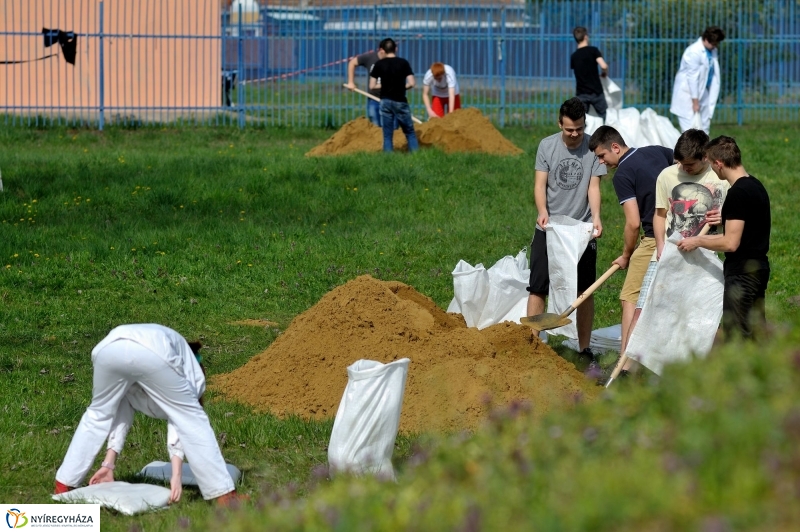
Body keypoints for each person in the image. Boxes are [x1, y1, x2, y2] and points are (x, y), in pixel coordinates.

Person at [54, 324, 241, 506]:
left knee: (97, 414)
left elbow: (121, 408)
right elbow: (182, 420)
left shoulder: (176, 349)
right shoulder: (192, 369)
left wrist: (108, 465)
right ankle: (224, 496)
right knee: (191, 417)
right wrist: (176, 476)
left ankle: (64, 483)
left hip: (107, 348)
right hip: (152, 351)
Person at [619, 129, 728, 377]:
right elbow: (659, 215)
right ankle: (626, 370)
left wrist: (723, 217)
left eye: (689, 165)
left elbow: (733, 221)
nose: (684, 169)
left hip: (704, 258)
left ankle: (693, 373)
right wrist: (660, 245)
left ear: (704, 158)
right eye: (680, 163)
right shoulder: (667, 175)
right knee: (644, 310)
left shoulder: (720, 180)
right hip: (667, 254)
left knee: (698, 318)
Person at [528, 97, 606, 361]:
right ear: (559, 123)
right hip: (550, 228)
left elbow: (594, 187)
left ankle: (584, 349)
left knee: (584, 290)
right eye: (569, 129)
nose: (574, 135)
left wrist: (596, 217)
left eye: (579, 129)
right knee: (538, 286)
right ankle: (532, 343)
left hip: (582, 230)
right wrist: (543, 213)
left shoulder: (593, 147)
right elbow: (540, 185)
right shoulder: (546, 146)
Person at [588, 125, 674, 359]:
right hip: (682, 233)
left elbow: (633, 223)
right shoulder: (657, 151)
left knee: (630, 298)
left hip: (652, 239)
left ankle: (624, 363)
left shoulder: (623, 174)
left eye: (602, 156)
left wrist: (627, 255)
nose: (601, 163)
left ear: (615, 147)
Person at [677, 136, 770, 340]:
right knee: (755, 334)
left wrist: (697, 241)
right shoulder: (755, 186)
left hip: (742, 275)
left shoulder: (737, 192)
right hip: (758, 269)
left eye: (711, 163)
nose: (711, 168)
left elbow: (730, 242)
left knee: (738, 336)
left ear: (719, 163)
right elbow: (749, 228)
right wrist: (724, 219)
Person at [670, 26, 725, 134]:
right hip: (687, 95)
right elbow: (692, 77)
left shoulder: (712, 51)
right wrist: (695, 102)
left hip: (702, 92)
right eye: (713, 43)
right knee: (690, 132)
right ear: (706, 39)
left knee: (704, 127)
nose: (715, 46)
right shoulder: (693, 52)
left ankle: (704, 150)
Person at [370, 38, 418, 153]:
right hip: (400, 101)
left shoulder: (379, 64)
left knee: (387, 134)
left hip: (385, 101)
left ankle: (388, 159)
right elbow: (412, 83)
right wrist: (401, 86)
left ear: (383, 50)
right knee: (409, 132)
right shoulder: (403, 63)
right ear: (395, 49)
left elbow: (372, 86)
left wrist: (385, 85)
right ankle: (416, 156)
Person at [570, 27, 609, 122]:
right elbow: (603, 66)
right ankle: (605, 136)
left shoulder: (574, 56)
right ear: (586, 37)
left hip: (581, 93)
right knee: (605, 118)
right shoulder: (593, 51)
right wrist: (604, 73)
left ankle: (583, 137)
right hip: (596, 92)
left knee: (581, 121)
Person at [344, 44, 387, 127]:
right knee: (375, 127)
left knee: (391, 128)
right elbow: (352, 63)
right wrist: (351, 82)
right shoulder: (370, 58)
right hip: (373, 99)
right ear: (381, 50)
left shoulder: (394, 61)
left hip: (390, 100)